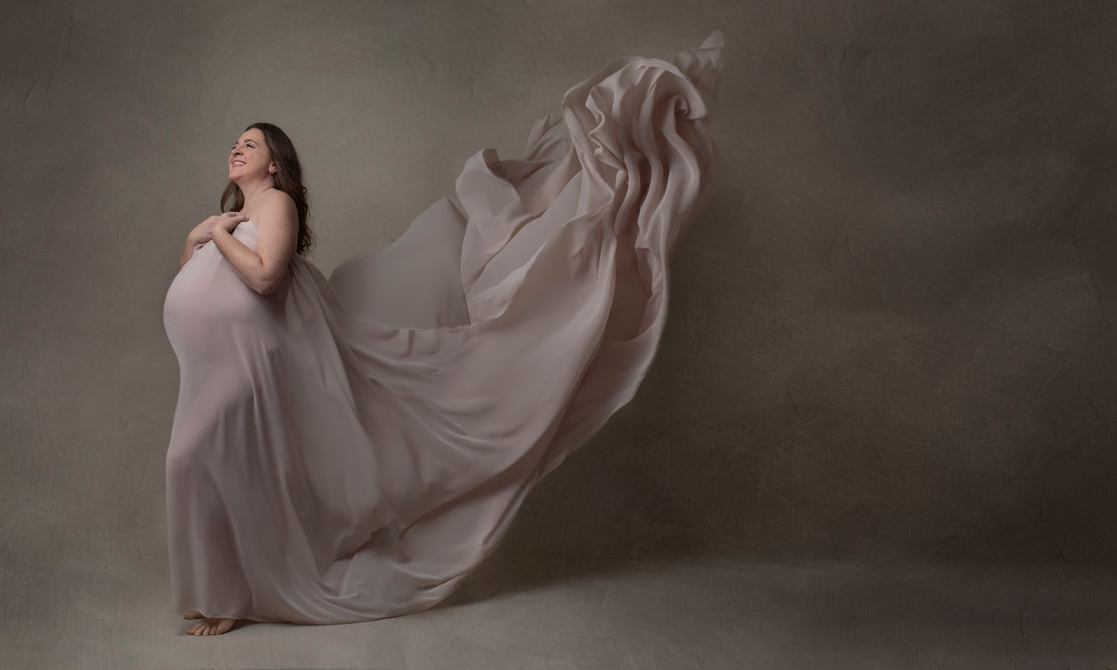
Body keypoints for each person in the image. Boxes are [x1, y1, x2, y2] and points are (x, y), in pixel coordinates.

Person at [163, 34, 723, 634]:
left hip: (254, 366)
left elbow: (267, 278)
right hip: (213, 369)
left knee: (195, 460)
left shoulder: (272, 205)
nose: (236, 149)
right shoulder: (234, 218)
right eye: (235, 142)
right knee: (217, 469)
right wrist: (197, 239)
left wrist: (216, 236)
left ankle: (223, 599)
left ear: (274, 164)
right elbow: (198, 289)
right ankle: (217, 594)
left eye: (250, 144)